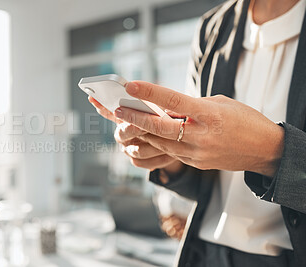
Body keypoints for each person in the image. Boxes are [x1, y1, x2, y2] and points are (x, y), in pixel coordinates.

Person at [88, 0, 306, 266]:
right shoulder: (212, 27)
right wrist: (172, 157)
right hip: (205, 253)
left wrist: (271, 153)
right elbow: (205, 180)